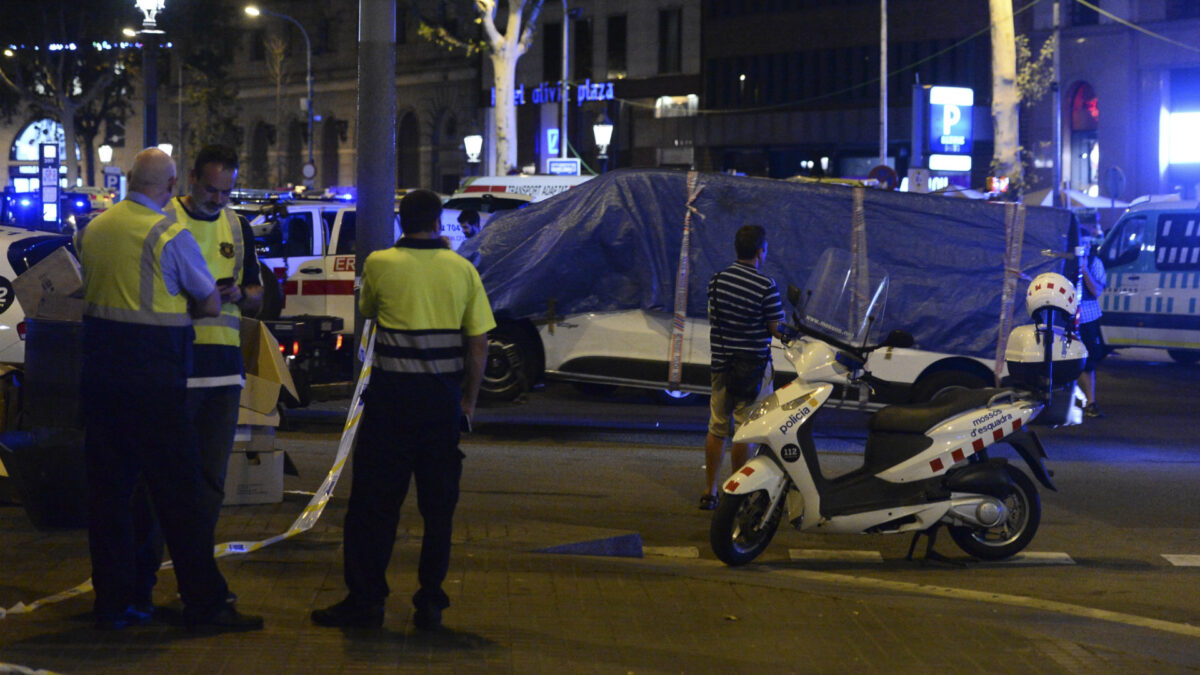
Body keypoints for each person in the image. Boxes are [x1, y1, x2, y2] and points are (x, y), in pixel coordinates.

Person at [76, 147, 262, 631]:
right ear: (176, 181)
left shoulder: (94, 229)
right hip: (156, 381)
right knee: (180, 497)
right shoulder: (167, 233)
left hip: (100, 380)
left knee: (110, 498)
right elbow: (204, 302)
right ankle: (205, 601)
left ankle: (115, 602)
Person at [312, 189, 495, 631]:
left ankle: (366, 601)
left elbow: (369, 312)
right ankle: (429, 601)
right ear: (438, 222)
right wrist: (467, 403)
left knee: (373, 509)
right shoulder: (463, 269)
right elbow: (479, 344)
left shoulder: (379, 264)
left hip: (390, 406)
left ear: (402, 221)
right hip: (439, 408)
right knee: (438, 511)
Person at [167, 145, 263, 531]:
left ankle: (197, 559)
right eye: (212, 190)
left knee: (211, 478)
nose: (219, 200)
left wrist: (240, 294)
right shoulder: (166, 217)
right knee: (167, 472)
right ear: (192, 178)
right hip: (176, 367)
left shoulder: (237, 227)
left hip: (224, 371)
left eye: (227, 192)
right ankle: (156, 559)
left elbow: (258, 296)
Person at [701, 225, 785, 510]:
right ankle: (735, 495)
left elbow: (714, 317)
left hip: (722, 367)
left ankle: (709, 490)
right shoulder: (765, 285)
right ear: (761, 251)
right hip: (752, 369)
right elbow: (776, 329)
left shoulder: (716, 281)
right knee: (744, 431)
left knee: (717, 427)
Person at [1075, 214, 1108, 418]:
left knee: (1088, 361)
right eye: (1081, 245)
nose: (1085, 248)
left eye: (1088, 244)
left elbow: (1096, 291)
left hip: (1088, 318)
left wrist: (1084, 269)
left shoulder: (1095, 263)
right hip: (1068, 317)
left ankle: (1090, 401)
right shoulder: (1066, 263)